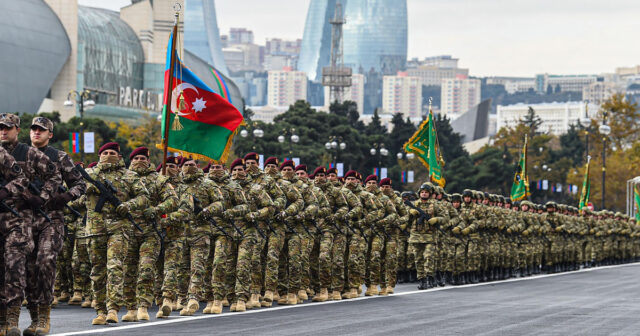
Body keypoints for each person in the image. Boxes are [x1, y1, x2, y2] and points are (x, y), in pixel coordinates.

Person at [25, 117, 85, 336]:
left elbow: (80, 183)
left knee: (45, 261)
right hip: (23, 219)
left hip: (51, 219)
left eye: (42, 130)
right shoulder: (19, 156)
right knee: (29, 270)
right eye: (34, 129)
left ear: (50, 134)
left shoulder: (59, 157)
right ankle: (34, 319)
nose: (36, 133)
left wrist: (67, 196)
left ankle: (45, 317)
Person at [83, 142, 149, 325]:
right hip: (94, 229)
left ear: (120, 156)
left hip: (119, 227)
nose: (108, 155)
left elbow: (143, 197)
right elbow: (74, 193)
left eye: (112, 152)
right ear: (99, 156)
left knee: (115, 267)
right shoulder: (90, 174)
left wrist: (127, 205)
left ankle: (113, 309)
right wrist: (84, 190)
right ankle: (100, 310)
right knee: (97, 271)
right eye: (105, 152)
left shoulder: (130, 176)